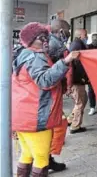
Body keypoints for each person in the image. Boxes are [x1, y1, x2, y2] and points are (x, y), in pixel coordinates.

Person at [12, 22, 79, 177]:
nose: (46, 41)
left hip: (23, 115)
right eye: (42, 38)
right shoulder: (36, 56)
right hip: (36, 116)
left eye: (45, 37)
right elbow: (44, 80)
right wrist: (65, 61)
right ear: (32, 40)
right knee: (41, 158)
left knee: (27, 154)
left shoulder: (24, 53)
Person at [46, 19, 72, 172]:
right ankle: (44, 161)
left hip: (51, 93)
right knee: (51, 126)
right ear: (61, 31)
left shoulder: (50, 43)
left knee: (54, 125)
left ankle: (47, 159)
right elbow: (49, 74)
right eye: (67, 32)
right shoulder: (53, 45)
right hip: (48, 95)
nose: (67, 35)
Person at [67, 29, 89, 134]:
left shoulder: (76, 44)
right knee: (80, 102)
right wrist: (82, 77)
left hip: (76, 79)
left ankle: (71, 119)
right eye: (85, 34)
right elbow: (78, 64)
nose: (87, 36)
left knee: (82, 100)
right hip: (77, 80)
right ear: (80, 35)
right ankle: (75, 126)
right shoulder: (77, 45)